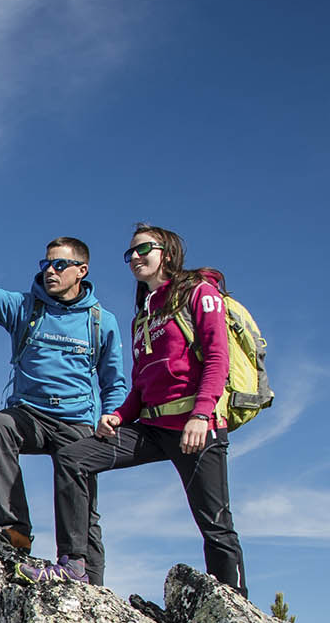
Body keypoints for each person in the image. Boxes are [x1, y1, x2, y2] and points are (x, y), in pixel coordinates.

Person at [55, 224, 246, 594]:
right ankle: (74, 564)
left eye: (144, 249)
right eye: (130, 253)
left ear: (167, 253)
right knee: (72, 458)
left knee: (215, 524)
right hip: (153, 428)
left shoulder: (199, 292)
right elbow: (141, 384)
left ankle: (236, 606)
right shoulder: (142, 315)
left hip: (196, 427)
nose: (135, 258)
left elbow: (217, 358)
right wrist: (119, 416)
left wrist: (201, 414)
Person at [0, 238, 126, 584]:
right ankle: (15, 529)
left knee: (83, 509)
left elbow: (114, 381)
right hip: (30, 416)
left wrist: (111, 415)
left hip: (77, 421)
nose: (50, 271)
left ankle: (88, 580)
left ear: (81, 270)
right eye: (46, 264)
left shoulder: (101, 322)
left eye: (60, 265)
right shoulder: (26, 308)